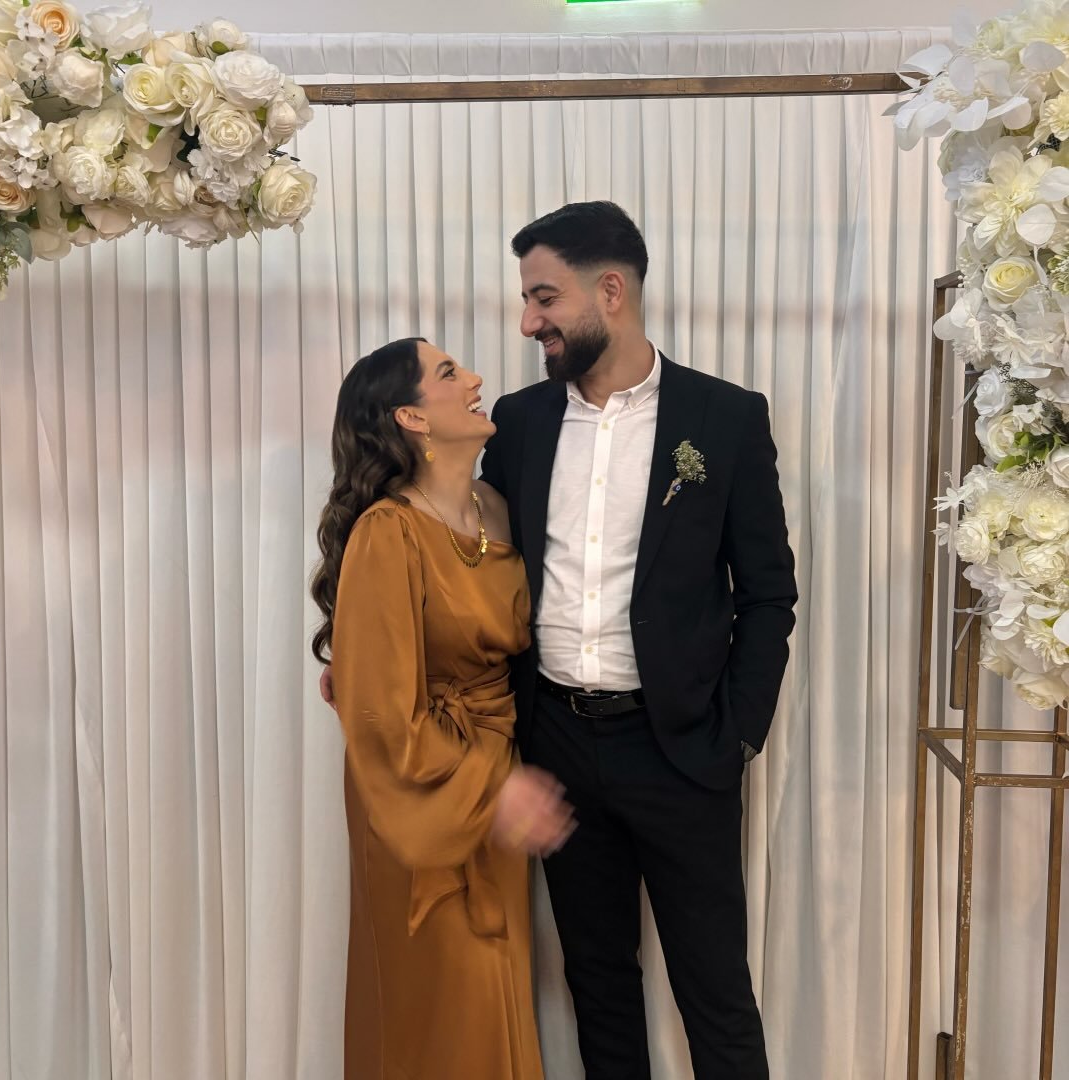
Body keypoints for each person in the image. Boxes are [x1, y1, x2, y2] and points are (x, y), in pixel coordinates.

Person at [479, 201, 798, 1079]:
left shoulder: (725, 418)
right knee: (597, 986)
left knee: (716, 994)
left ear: (610, 291)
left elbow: (768, 594)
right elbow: (475, 565)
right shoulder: (518, 421)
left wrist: (736, 735)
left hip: (682, 752)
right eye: (527, 299)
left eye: (544, 297)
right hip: (555, 743)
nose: (528, 321)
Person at [311, 337, 573, 1080]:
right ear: (412, 417)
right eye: (451, 373)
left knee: (496, 1000)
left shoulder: (499, 509)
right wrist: (493, 788)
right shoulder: (387, 531)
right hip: (422, 801)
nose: (476, 379)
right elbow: (381, 720)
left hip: (497, 784)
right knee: (445, 1009)